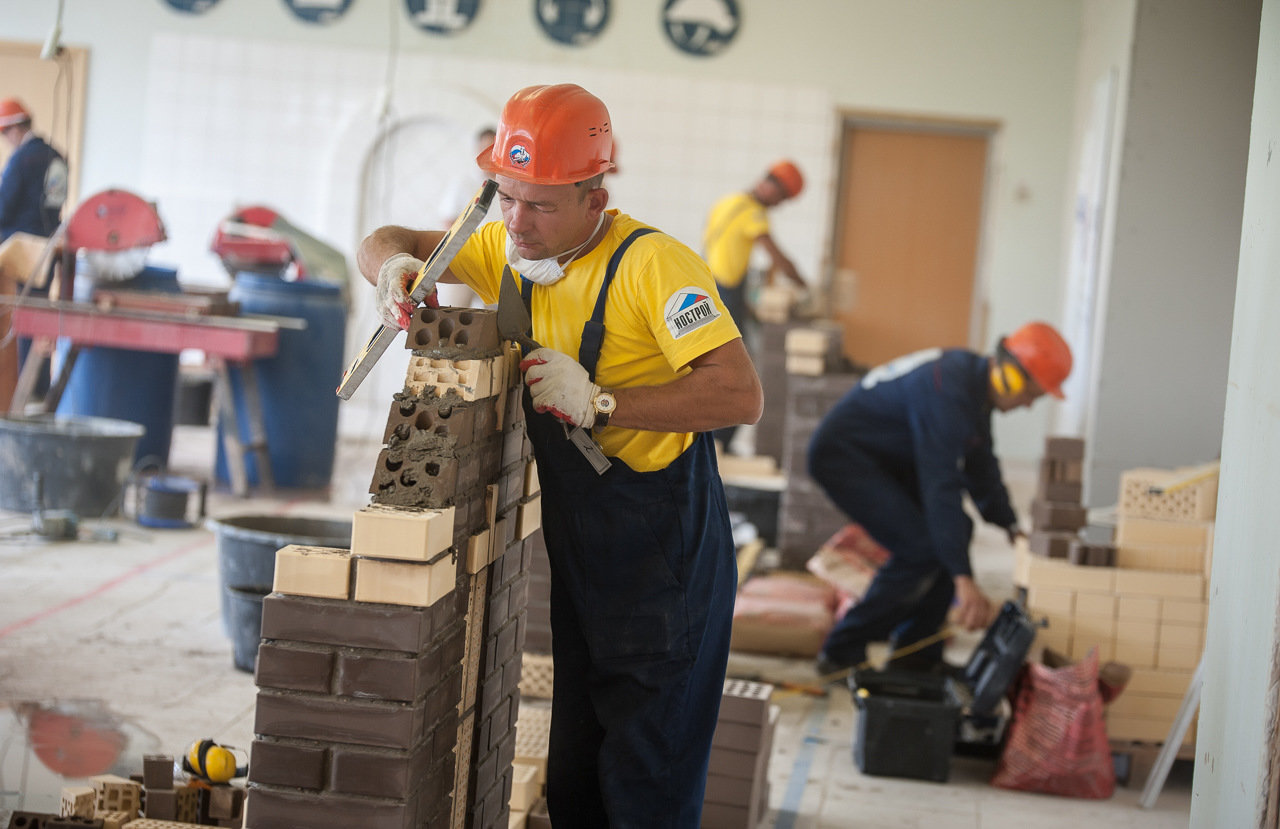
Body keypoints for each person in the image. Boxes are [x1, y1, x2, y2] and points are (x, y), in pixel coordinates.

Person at [358, 83, 762, 828]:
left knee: (647, 785)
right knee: (578, 779)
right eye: (507, 196)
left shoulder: (656, 267)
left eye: (541, 204)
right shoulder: (502, 247)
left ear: (594, 198)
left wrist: (604, 402)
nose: (517, 220)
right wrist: (390, 270)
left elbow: (739, 394)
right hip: (585, 561)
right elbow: (389, 238)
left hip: (664, 563)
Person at [807, 321, 1073, 677]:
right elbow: (940, 485)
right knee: (920, 548)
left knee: (954, 530)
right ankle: (840, 652)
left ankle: (916, 657)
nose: (1027, 406)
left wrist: (1007, 522)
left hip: (886, 459)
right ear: (1008, 376)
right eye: (1032, 395)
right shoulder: (948, 392)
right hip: (845, 458)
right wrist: (963, 578)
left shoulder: (972, 386)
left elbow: (980, 463)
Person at [702, 160, 807, 451]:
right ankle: (721, 440)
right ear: (774, 188)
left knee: (716, 367)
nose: (779, 205)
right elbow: (779, 259)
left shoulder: (729, 201)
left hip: (709, 285)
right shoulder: (753, 213)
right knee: (736, 371)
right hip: (725, 292)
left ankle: (716, 438)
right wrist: (805, 287)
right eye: (782, 198)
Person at [0, 98, 68, 242]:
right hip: (47, 243)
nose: (5, 140)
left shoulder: (20, 159)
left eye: (4, 133)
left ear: (15, 128)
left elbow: (4, 208)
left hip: (18, 245)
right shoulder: (57, 156)